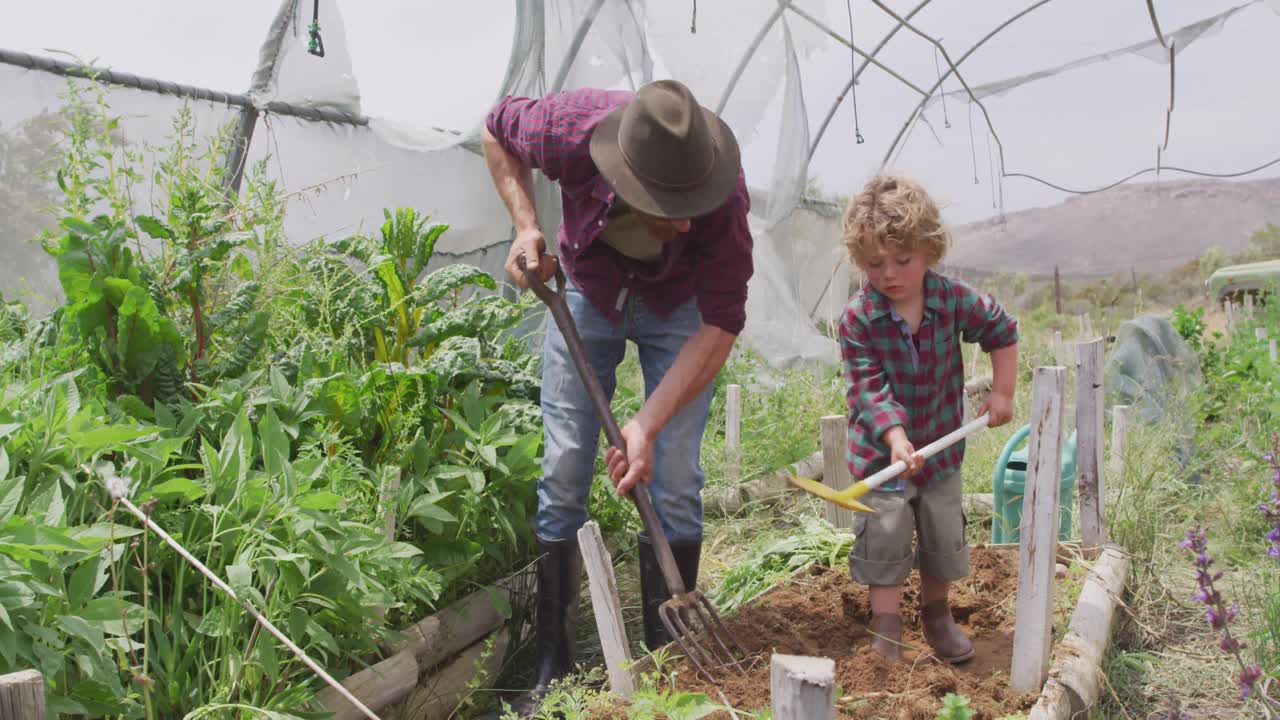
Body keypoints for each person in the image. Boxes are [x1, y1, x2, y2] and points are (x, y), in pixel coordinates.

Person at [480, 79, 753, 713]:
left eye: (693, 202)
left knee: (677, 476)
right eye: (670, 205)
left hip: (680, 307)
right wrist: (526, 226)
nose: (687, 220)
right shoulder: (570, 129)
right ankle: (555, 662)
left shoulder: (723, 192)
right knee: (565, 462)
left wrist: (648, 426)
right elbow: (495, 130)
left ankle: (666, 664)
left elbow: (721, 324)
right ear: (625, 178)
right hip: (586, 291)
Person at [838, 175, 1018, 664]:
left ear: (929, 250)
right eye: (875, 264)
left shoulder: (951, 299)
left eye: (903, 260)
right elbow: (868, 387)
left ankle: (937, 615)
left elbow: (1002, 330)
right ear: (860, 260)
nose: (890, 274)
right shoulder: (858, 319)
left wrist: (1002, 392)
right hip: (883, 459)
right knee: (886, 533)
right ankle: (888, 629)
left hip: (941, 450)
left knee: (941, 531)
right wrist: (896, 440)